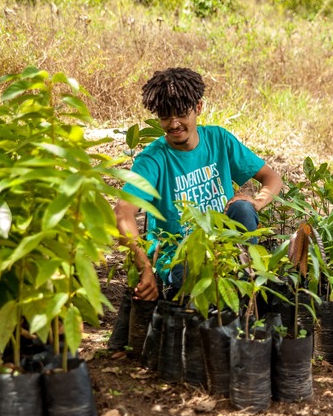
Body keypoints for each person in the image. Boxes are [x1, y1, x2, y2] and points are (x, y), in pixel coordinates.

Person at [114, 67, 284, 302]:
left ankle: (245, 288)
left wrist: (257, 202)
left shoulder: (219, 140)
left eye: (182, 114)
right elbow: (123, 213)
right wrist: (145, 269)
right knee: (200, 280)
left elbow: (272, 178)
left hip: (226, 250)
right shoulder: (153, 160)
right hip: (182, 259)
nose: (174, 124)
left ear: (198, 108)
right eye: (165, 117)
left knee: (243, 209)